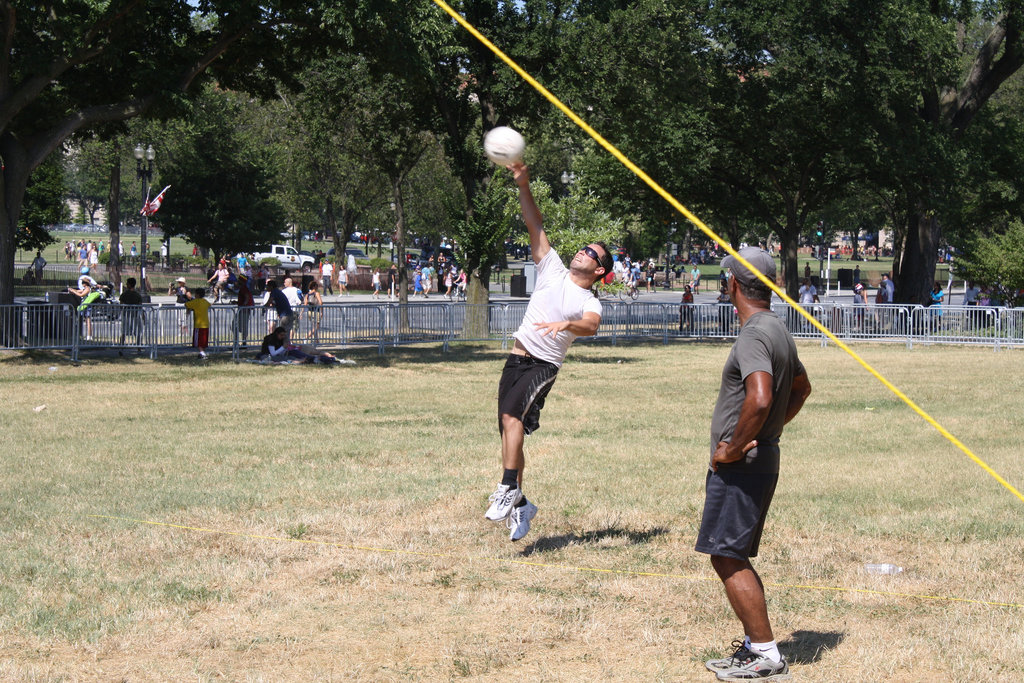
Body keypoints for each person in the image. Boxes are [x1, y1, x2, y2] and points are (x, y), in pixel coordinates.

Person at [697, 247, 812, 682]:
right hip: (762, 458)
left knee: (727, 555)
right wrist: (766, 435)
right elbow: (800, 389)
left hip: (744, 464)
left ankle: (766, 654)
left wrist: (735, 446)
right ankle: (754, 648)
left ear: (731, 284)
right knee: (733, 552)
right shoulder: (777, 329)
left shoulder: (753, 335)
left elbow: (761, 397)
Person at [484, 162, 612, 543]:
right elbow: (534, 224)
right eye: (584, 247)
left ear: (600, 270)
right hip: (516, 358)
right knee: (510, 431)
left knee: (512, 419)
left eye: (592, 252)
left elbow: (590, 325)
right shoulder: (553, 269)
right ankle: (522, 505)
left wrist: (566, 325)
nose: (583, 251)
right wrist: (523, 183)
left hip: (543, 365)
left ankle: (508, 487)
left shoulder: (590, 300)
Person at [259, 326, 340, 363]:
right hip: (269, 356)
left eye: (284, 335)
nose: (283, 337)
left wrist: (287, 348)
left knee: (300, 355)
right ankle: (319, 359)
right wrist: (283, 348)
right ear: (277, 333)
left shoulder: (280, 339)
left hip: (284, 353)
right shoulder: (271, 339)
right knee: (293, 358)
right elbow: (273, 353)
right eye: (281, 335)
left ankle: (325, 359)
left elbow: (281, 350)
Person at [184, 287, 212, 359]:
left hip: (198, 325)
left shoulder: (195, 302)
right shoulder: (205, 301)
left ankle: (202, 354)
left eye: (195, 294)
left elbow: (186, 304)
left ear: (198, 295)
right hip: (206, 324)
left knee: (198, 341)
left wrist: (190, 299)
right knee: (204, 341)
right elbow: (209, 304)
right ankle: (202, 353)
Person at [119, 277, 144, 346]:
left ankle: (121, 346)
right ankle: (139, 346)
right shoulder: (137, 295)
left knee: (124, 332)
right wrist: (143, 317)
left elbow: (121, 304)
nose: (126, 285)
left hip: (126, 315)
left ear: (129, 285)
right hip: (135, 315)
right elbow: (140, 306)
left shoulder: (124, 294)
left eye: (127, 284)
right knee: (138, 332)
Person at [236, 273, 255, 346]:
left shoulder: (243, 288)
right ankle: (242, 341)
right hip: (243, 309)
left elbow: (247, 297)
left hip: (244, 310)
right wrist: (238, 302)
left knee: (241, 326)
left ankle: (243, 342)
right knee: (240, 325)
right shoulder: (244, 288)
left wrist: (243, 305)